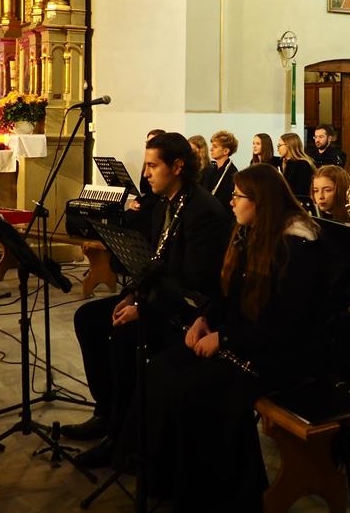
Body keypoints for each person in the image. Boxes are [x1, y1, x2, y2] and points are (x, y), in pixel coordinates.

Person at [144, 163, 325, 513]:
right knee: (162, 368)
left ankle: (226, 509)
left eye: (238, 196)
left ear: (261, 202)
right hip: (248, 339)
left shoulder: (295, 245)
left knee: (195, 390)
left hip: (280, 355)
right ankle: (167, 483)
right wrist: (205, 320)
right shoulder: (251, 233)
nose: (231, 201)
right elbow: (232, 297)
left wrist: (224, 340)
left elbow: (283, 323)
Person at [61, 133, 230, 465]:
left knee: (123, 337)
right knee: (89, 318)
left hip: (186, 314)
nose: (145, 173)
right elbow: (152, 263)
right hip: (158, 298)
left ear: (177, 166)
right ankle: (107, 412)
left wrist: (144, 308)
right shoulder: (164, 205)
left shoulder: (202, 211)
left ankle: (124, 438)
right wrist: (131, 295)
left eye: (152, 165)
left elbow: (192, 285)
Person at [123, 129, 166, 238]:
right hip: (149, 201)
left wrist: (141, 205)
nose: (146, 174)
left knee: (131, 218)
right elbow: (145, 190)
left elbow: (156, 196)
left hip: (156, 205)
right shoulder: (147, 163)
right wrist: (136, 201)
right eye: (147, 142)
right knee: (125, 216)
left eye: (152, 142)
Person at [201, 130, 238, 211]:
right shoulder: (210, 169)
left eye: (215, 146)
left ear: (226, 151)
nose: (211, 149)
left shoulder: (232, 174)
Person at [276, 132, 315, 200]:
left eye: (279, 145)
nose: (278, 148)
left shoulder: (302, 165)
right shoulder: (284, 163)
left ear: (289, 145)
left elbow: (301, 192)